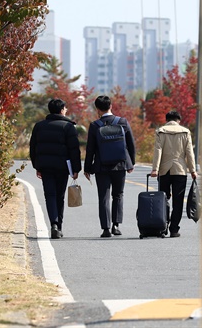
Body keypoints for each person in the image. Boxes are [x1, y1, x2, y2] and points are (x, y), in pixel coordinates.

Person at [84, 95, 136, 238]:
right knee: (118, 195)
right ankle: (116, 225)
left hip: (101, 166)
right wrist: (131, 163)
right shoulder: (123, 122)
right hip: (120, 165)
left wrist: (87, 168)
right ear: (110, 106)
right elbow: (131, 144)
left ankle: (106, 228)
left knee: (103, 197)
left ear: (97, 109)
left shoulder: (95, 126)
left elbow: (90, 149)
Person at [29, 98, 81, 239]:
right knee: (59, 196)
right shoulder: (68, 127)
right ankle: (59, 225)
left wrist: (37, 166)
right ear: (61, 110)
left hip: (45, 167)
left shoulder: (39, 126)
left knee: (49, 195)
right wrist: (76, 169)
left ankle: (54, 224)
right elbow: (74, 149)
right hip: (62, 167)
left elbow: (33, 148)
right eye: (65, 108)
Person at [150, 110, 197, 238]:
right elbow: (189, 153)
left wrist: (155, 169)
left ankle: (163, 226)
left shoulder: (160, 131)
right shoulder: (185, 132)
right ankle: (174, 229)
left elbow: (158, 151)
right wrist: (193, 170)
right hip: (180, 170)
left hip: (164, 170)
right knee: (178, 200)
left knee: (163, 199)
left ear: (167, 120)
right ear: (178, 120)